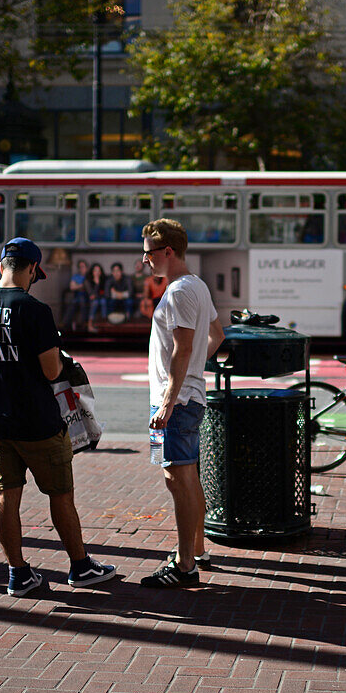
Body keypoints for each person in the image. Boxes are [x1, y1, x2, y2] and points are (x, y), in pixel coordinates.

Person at [0, 237, 117, 597]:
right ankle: (80, 566)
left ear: (1, 266)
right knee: (60, 496)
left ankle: (18, 573)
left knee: (6, 496)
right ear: (30, 269)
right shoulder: (34, 309)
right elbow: (49, 370)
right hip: (39, 422)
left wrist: (0, 357)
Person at [140, 218, 224, 589]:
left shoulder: (177, 292)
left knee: (177, 479)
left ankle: (185, 564)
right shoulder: (197, 286)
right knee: (187, 478)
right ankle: (197, 550)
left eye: (148, 253)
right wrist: (192, 371)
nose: (145, 260)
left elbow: (183, 346)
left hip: (176, 401)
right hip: (185, 396)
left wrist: (169, 400)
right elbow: (216, 335)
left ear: (167, 251)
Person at [60, 259, 89, 333]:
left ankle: (84, 323)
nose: (81, 269)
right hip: (77, 297)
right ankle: (64, 323)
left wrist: (78, 286)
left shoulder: (89, 276)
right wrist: (81, 286)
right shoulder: (76, 276)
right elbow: (72, 287)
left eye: (83, 267)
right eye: (80, 267)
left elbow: (89, 288)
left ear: (87, 268)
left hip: (87, 297)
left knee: (82, 300)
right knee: (73, 303)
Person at [85, 263, 107, 332]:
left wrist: (97, 295)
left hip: (101, 298)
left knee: (103, 301)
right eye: (95, 271)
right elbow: (91, 294)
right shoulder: (87, 281)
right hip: (89, 299)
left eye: (98, 271)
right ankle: (90, 325)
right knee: (95, 302)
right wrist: (97, 284)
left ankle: (103, 322)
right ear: (92, 272)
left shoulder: (104, 280)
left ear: (101, 272)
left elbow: (105, 293)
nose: (97, 273)